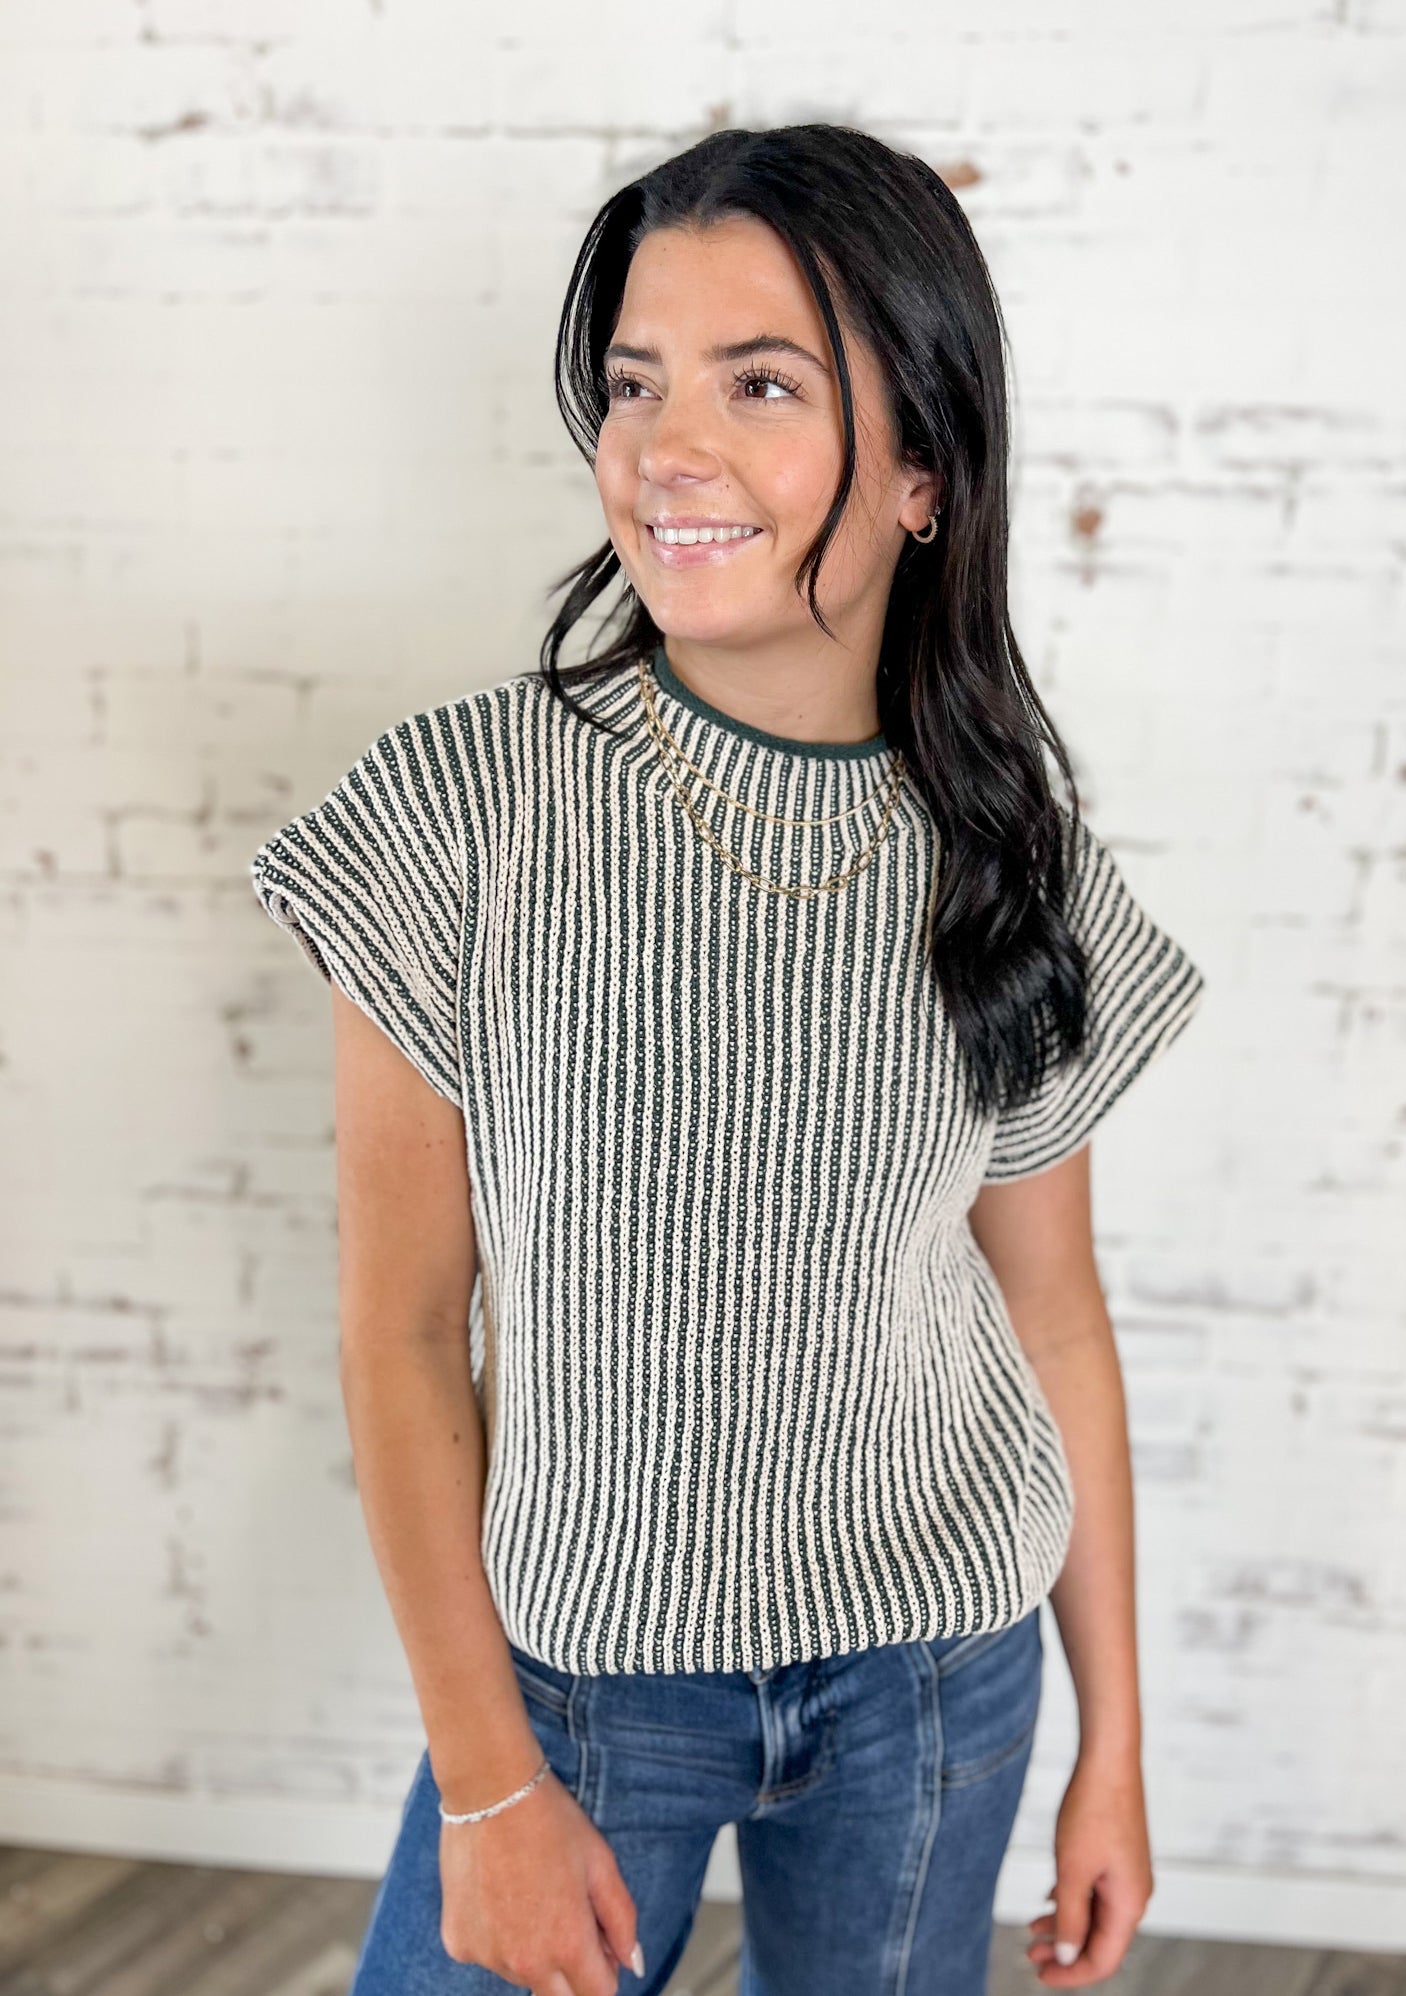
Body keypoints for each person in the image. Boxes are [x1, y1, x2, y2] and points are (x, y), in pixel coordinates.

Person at [249, 123, 1206, 1996]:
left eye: (759, 384)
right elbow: (401, 1329)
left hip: (935, 1675)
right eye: (634, 384)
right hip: (581, 1685)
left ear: (924, 469)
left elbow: (1054, 1317)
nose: (663, 449)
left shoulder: (1008, 853)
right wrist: (487, 1786)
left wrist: (1119, 1748)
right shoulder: (459, 812)